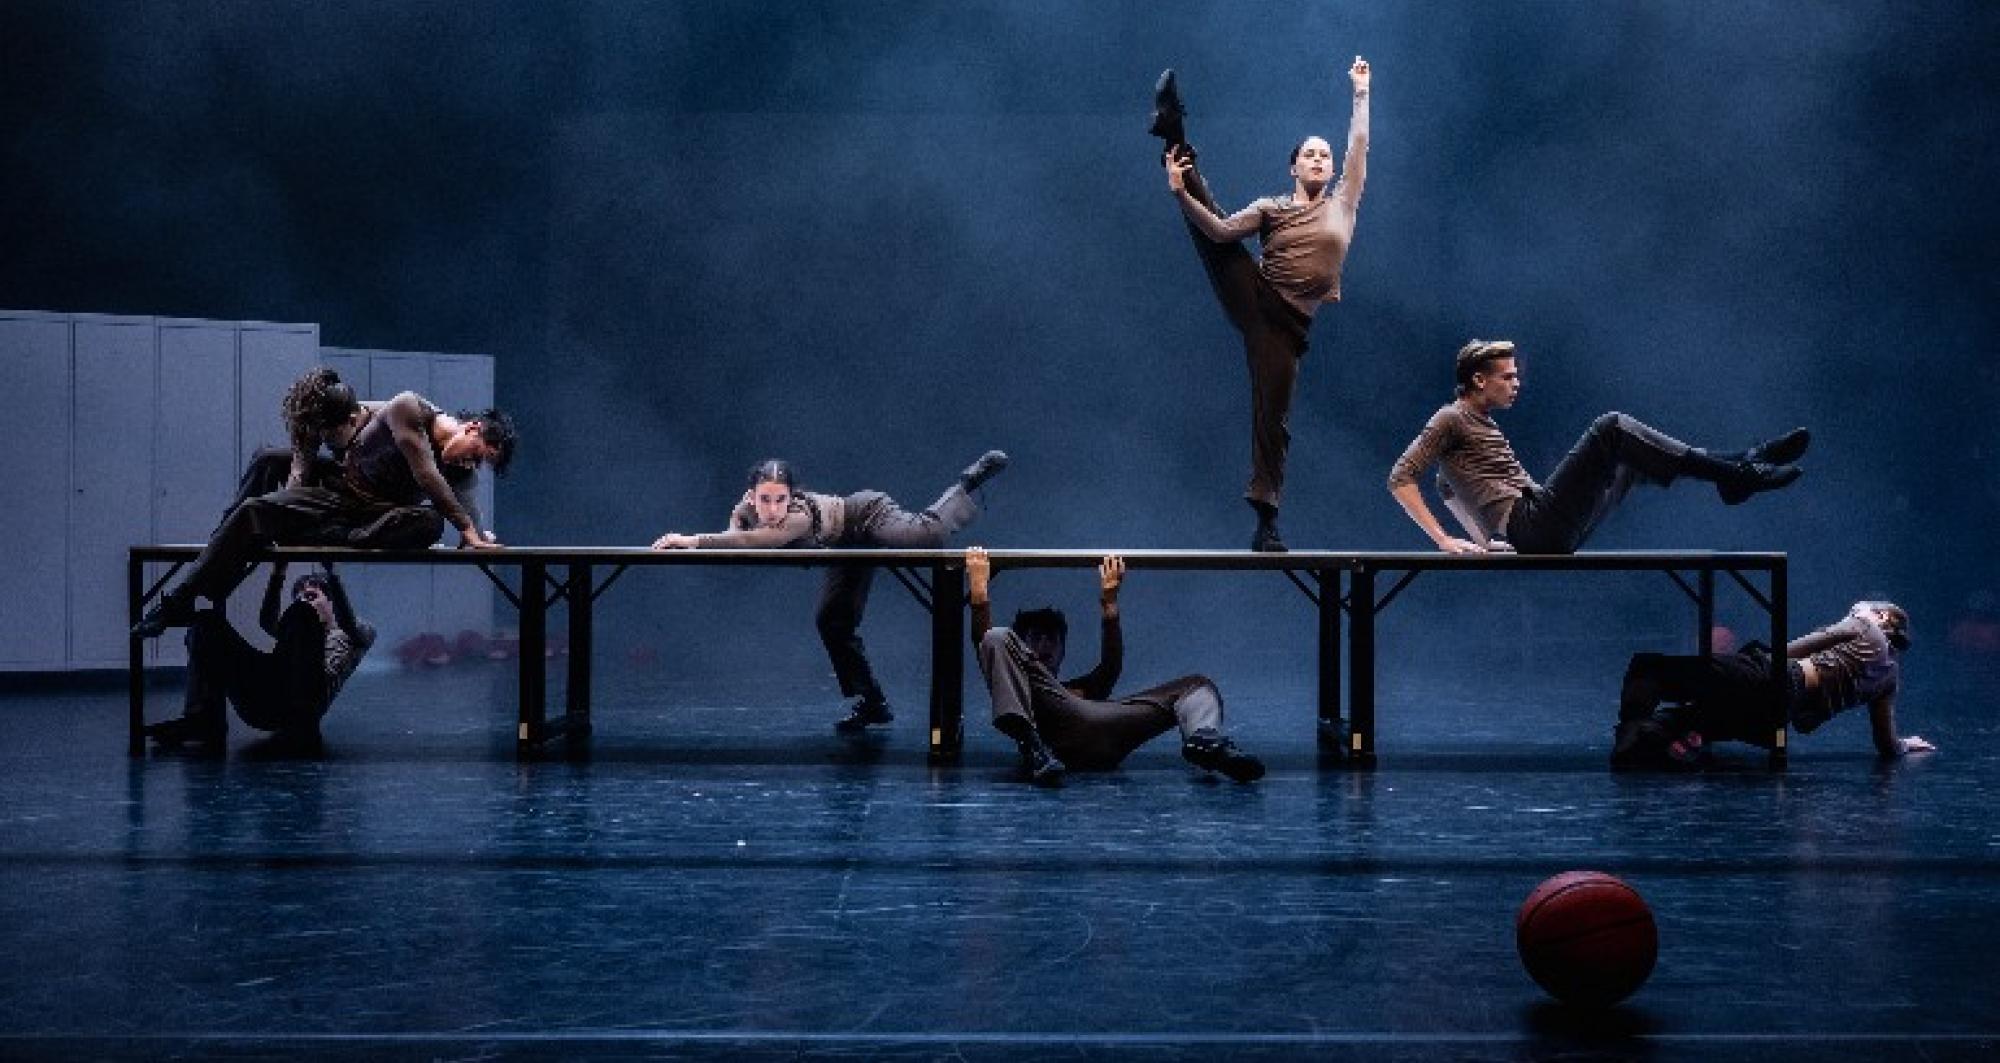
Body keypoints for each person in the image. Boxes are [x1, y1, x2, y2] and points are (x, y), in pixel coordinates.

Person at [1152, 55, 1370, 551]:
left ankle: (1265, 523)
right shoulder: (1271, 207)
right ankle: (1172, 131)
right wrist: (1180, 195)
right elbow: (1219, 231)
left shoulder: (1344, 203)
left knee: (1274, 421)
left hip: (1285, 329)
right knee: (1221, 241)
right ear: (1294, 167)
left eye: (1325, 155)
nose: (1319, 159)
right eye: (1309, 154)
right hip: (1256, 297)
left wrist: (1361, 92)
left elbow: (1358, 144)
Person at [651, 451, 1009, 732]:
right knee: (833, 621)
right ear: (752, 496)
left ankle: (965, 485)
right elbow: (738, 536)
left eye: (780, 499)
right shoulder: (748, 508)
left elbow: (751, 541)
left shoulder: (798, 516)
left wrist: (692, 540)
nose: (772, 509)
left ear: (792, 496)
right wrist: (736, 517)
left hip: (865, 515)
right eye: (765, 500)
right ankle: (873, 703)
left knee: (925, 537)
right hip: (845, 544)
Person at [133, 384, 516, 637]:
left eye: (480, 464)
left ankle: (335, 536)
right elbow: (424, 473)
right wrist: (467, 529)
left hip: (369, 519)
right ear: (472, 427)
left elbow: (467, 513)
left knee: (430, 522)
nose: (471, 465)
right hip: (339, 490)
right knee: (258, 491)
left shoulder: (459, 471)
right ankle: (179, 600)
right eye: (477, 455)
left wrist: (478, 536)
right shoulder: (408, 407)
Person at [1387, 340, 1809, 555]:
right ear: (1479, 380)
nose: (1517, 384)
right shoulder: (1451, 418)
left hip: (1542, 532)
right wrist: (1443, 540)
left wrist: (1483, 542)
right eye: (1508, 377)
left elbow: (1445, 486)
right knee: (1611, 428)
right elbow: (1401, 477)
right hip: (1536, 526)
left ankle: (1736, 469)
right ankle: (1736, 471)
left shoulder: (1476, 427)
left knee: (1632, 460)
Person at [966, 547, 1265, 786]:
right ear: (1021, 646)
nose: (1044, 645)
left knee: (1196, 685)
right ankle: (1033, 746)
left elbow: (1110, 669)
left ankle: (1207, 743)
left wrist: (1109, 604)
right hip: (1052, 739)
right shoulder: (1016, 680)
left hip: (1105, 733)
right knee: (996, 637)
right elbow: (986, 644)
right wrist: (980, 595)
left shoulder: (1080, 689)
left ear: (1064, 649)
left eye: (1052, 639)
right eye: (1036, 638)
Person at [1612, 601, 1933, 767]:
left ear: (1882, 618)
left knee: (1649, 668)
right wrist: (1906, 745)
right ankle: (1649, 746)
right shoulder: (1889, 677)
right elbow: (1886, 743)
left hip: (1776, 679)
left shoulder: (1867, 628)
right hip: (1776, 721)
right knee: (1687, 719)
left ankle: (1629, 742)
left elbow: (1803, 645)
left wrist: (1757, 661)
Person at [221, 368, 490, 541]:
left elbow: (445, 486)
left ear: (351, 420)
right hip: (345, 482)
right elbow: (299, 473)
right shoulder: (320, 421)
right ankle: (229, 528)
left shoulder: (377, 420)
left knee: (427, 521)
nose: (327, 437)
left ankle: (341, 531)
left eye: (332, 433)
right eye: (323, 433)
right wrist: (286, 513)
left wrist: (474, 533)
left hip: (376, 501)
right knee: (268, 457)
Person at [144, 562, 376, 748]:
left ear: (331, 602)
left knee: (302, 614)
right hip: (264, 699)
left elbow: (347, 623)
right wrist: (278, 571)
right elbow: (266, 621)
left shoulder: (359, 631)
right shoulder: (296, 631)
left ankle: (300, 729)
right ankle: (203, 721)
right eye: (299, 597)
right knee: (206, 624)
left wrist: (333, 576)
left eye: (312, 596)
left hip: (301, 709)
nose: (304, 601)